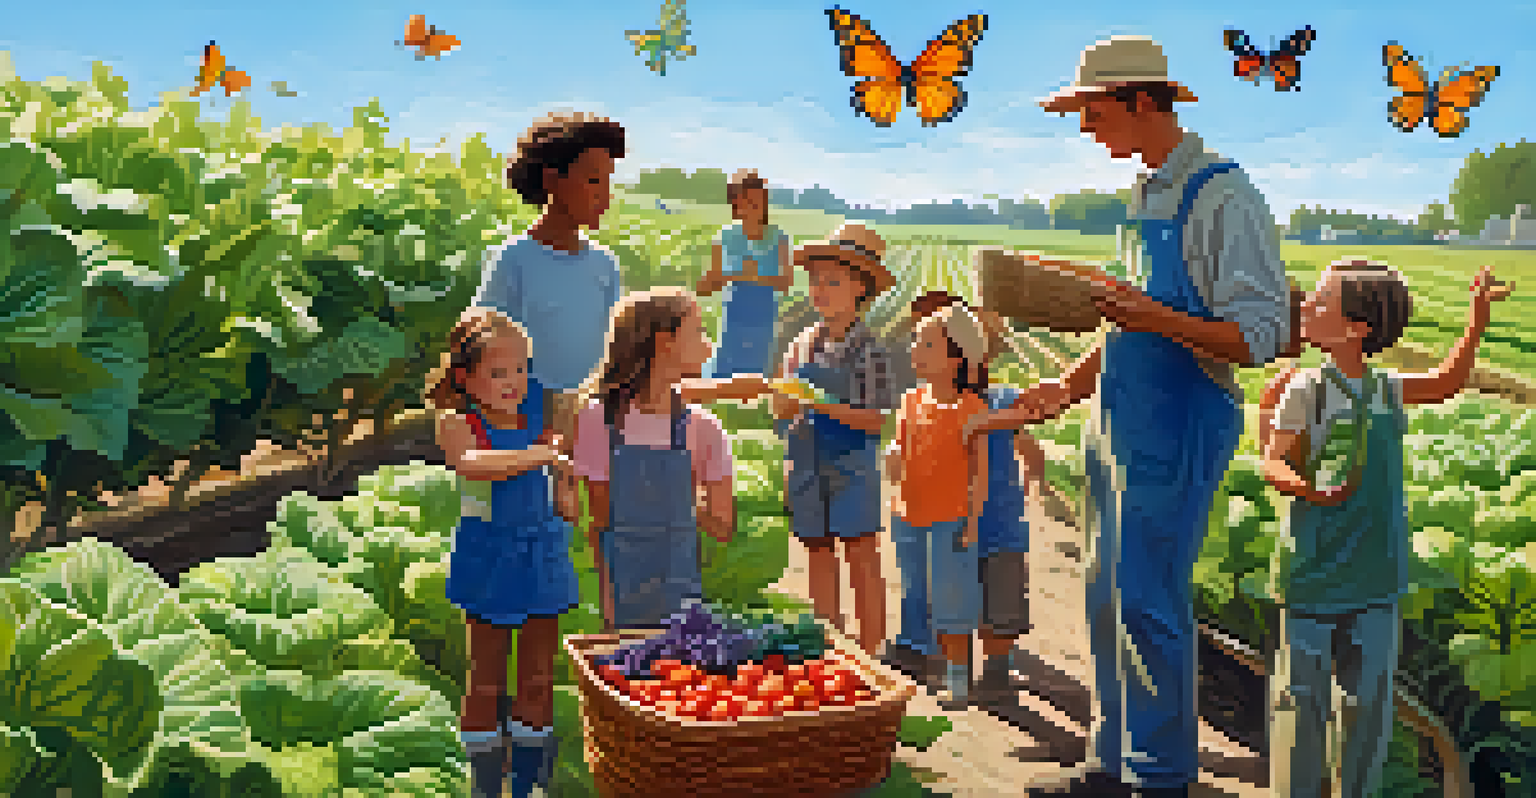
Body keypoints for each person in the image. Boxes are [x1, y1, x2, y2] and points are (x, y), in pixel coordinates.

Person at [973, 35, 1293, 797]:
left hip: (1179, 421)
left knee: (1150, 600)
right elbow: (1128, 319)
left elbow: (1261, 334)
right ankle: (1111, 763)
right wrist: (1069, 387)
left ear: (1141, 101)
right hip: (1118, 418)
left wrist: (1153, 317)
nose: (1085, 128)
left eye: (1092, 110)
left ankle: (1160, 777)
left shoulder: (1222, 195)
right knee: (1106, 594)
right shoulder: (1146, 191)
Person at [1261, 260, 1507, 798]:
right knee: (1300, 703)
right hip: (1313, 574)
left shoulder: (1385, 389)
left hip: (1376, 578)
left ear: (1357, 328)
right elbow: (1274, 461)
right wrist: (1306, 488)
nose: (1305, 306)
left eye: (1319, 302)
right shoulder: (1304, 390)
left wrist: (1477, 321)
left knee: (1366, 708)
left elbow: (1448, 382)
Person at [426, 308, 574, 798]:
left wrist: (566, 486)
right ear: (466, 378)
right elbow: (472, 465)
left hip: (543, 552)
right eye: (498, 372)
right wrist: (542, 454)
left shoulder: (540, 414)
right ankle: (485, 784)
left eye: (521, 369)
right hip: (490, 558)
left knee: (537, 676)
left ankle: (531, 784)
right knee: (486, 677)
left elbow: (563, 476)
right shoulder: (458, 423)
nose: (513, 382)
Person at [885, 292, 1047, 704]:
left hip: (995, 521)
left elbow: (1023, 440)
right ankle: (939, 660)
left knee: (1001, 602)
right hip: (945, 518)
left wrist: (1036, 482)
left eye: (929, 342)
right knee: (944, 593)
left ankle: (995, 671)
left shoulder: (995, 402)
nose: (918, 352)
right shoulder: (920, 402)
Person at [475, 111, 626, 531]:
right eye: (593, 180)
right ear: (551, 180)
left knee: (592, 511)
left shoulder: (604, 265)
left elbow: (616, 341)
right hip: (529, 411)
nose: (605, 195)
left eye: (609, 182)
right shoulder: (515, 259)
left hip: (592, 408)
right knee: (538, 513)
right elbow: (483, 337)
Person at [573, 287, 737, 629]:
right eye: (698, 330)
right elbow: (599, 517)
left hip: (681, 598)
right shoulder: (599, 418)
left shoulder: (704, 428)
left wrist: (679, 503)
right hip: (618, 600)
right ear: (665, 342)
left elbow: (723, 528)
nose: (708, 342)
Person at [772, 222, 898, 655]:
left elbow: (874, 421)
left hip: (851, 466)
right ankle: (831, 649)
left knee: (862, 558)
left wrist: (819, 402)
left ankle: (871, 651)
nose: (819, 290)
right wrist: (787, 402)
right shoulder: (801, 345)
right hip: (808, 460)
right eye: (815, 281)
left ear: (861, 290)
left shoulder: (871, 351)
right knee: (819, 555)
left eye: (832, 282)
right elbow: (782, 409)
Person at [885, 303, 992, 708]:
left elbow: (980, 470)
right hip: (908, 513)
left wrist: (974, 520)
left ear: (955, 359)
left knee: (952, 600)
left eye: (927, 344)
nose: (916, 349)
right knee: (914, 590)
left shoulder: (972, 410)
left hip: (951, 518)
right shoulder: (910, 400)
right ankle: (919, 663)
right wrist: (894, 457)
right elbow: (901, 445)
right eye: (916, 341)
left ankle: (958, 678)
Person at [695, 169, 794, 378]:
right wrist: (736, 275)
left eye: (758, 201)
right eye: (747, 200)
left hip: (764, 317)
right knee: (726, 372)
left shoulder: (779, 237)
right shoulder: (725, 236)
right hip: (734, 315)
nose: (753, 207)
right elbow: (704, 288)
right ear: (736, 203)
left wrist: (758, 278)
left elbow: (786, 283)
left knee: (759, 373)